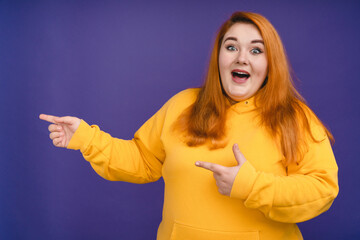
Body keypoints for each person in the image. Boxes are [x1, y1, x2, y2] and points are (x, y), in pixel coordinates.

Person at [40, 11, 338, 240]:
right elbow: (143, 160)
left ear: (271, 63)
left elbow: (322, 189)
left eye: (256, 50)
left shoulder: (294, 117)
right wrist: (85, 138)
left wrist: (251, 186)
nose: (242, 58)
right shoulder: (183, 104)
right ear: (219, 56)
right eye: (231, 47)